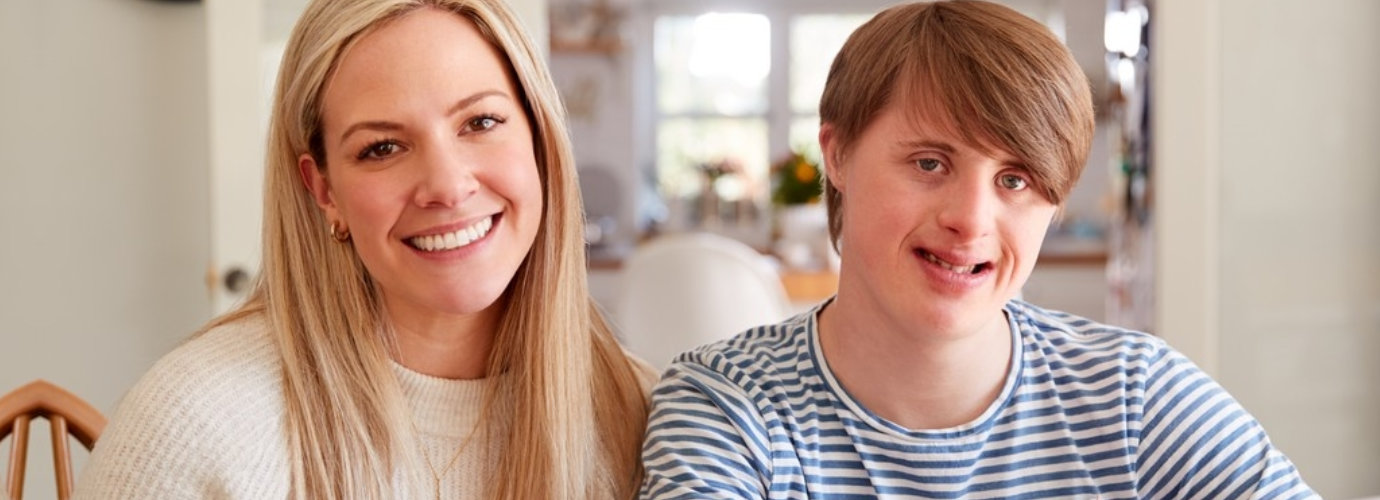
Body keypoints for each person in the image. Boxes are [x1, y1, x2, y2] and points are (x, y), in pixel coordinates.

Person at [640, 1, 1317, 498]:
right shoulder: (727, 411)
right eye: (930, 163)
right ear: (838, 155)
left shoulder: (1137, 399)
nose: (971, 219)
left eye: (1015, 179)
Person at [75, 0, 652, 498]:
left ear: (539, 139)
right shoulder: (193, 423)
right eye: (382, 148)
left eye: (480, 121)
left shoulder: (650, 418)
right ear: (324, 191)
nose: (448, 186)